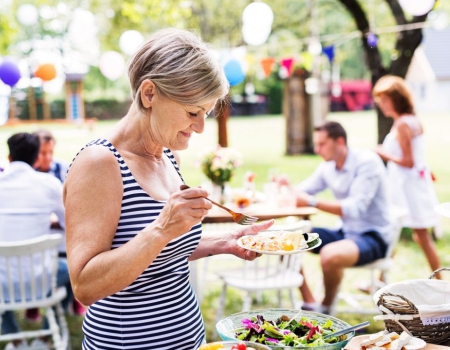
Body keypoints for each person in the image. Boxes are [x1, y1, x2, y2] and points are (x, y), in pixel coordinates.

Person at [63, 28, 273, 349]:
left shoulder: (167, 152)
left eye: (205, 113)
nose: (201, 127)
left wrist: (222, 242)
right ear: (149, 94)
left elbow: (160, 255)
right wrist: (161, 228)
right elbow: (85, 285)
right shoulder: (99, 162)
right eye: (193, 112)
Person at [294, 121, 392, 314]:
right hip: (345, 232)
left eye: (322, 144)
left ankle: (325, 309)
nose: (316, 149)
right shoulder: (328, 166)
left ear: (339, 141)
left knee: (329, 254)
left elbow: (354, 208)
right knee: (285, 239)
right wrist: (286, 187)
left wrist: (312, 202)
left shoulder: (367, 162)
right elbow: (302, 191)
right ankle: (309, 301)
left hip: (373, 237)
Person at [0, 133, 71, 348]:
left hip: (1, 285)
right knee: (72, 270)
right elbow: (69, 223)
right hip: (40, 281)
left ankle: (16, 339)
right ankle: (44, 339)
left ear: (9, 157)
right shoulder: (49, 184)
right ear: (37, 159)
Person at [373, 75, 442, 279]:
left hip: (408, 188)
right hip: (411, 185)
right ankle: (379, 279)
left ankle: (440, 281)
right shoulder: (411, 120)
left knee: (420, 235)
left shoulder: (403, 124)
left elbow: (409, 161)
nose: (382, 105)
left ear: (397, 99)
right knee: (398, 232)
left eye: (385, 100)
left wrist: (384, 154)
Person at [27, 129, 85, 319]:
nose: (48, 158)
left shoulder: (63, 168)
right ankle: (34, 300)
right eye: (43, 153)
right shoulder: (28, 172)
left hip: (60, 228)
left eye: (50, 152)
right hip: (37, 232)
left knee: (70, 246)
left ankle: (74, 296)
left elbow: (72, 204)